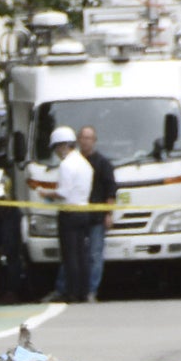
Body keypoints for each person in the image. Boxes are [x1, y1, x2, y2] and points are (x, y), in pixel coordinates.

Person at [41, 126, 93, 303]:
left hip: (69, 212)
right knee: (82, 254)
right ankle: (84, 291)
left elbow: (63, 192)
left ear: (63, 146)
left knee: (70, 255)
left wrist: (46, 193)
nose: (56, 152)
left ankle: (72, 292)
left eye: (56, 147)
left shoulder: (66, 165)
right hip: (84, 210)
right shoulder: (85, 163)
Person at [78, 126, 117, 302]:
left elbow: (111, 191)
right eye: (83, 137)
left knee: (95, 254)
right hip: (77, 216)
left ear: (94, 141)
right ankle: (69, 288)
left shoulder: (103, 163)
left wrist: (108, 214)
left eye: (89, 138)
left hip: (96, 217)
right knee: (75, 253)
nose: (85, 141)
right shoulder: (74, 162)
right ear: (78, 140)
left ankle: (91, 290)